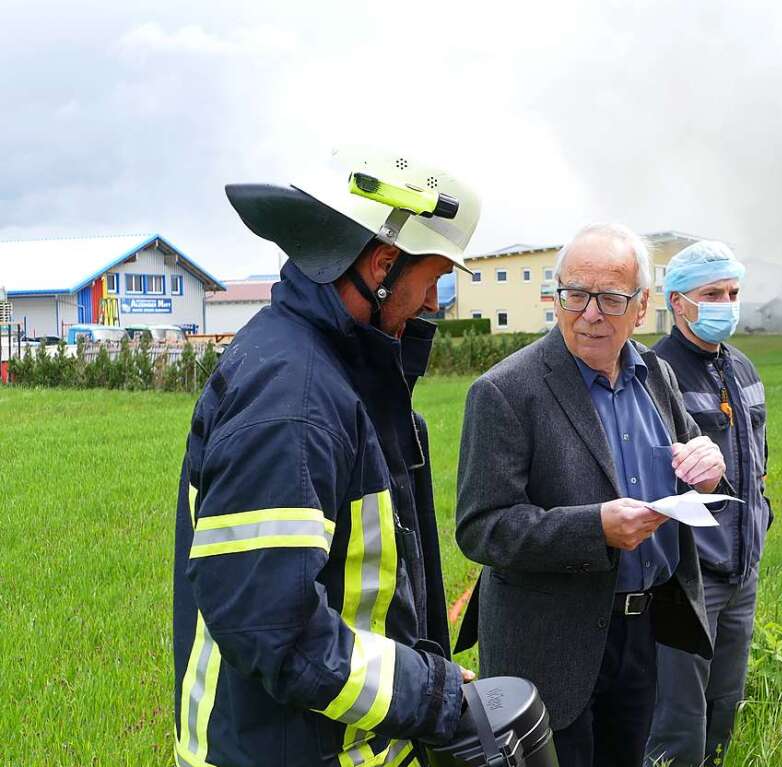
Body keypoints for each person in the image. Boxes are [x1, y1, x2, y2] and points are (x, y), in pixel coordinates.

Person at [172, 149, 481, 767]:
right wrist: (432, 693)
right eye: (435, 276)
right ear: (384, 263)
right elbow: (274, 629)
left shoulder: (344, 371)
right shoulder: (295, 398)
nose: (435, 302)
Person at [454, 223, 728, 767]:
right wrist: (594, 529)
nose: (591, 314)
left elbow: (685, 461)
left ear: (642, 305)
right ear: (557, 297)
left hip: (641, 628)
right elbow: (482, 527)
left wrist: (709, 466)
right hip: (551, 645)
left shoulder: (657, 375)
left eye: (610, 298)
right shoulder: (506, 391)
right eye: (575, 295)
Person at [645, 241, 772, 767]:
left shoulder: (741, 367)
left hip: (741, 571)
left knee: (725, 705)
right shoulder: (653, 371)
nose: (726, 302)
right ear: (677, 302)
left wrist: (762, 520)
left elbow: (758, 459)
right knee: (678, 718)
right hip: (689, 577)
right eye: (712, 294)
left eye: (733, 292)